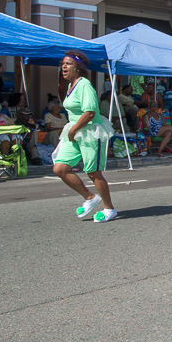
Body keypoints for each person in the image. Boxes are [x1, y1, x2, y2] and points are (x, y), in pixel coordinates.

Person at [52, 51, 117, 223]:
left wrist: (73, 130)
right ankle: (90, 197)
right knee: (60, 169)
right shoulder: (71, 85)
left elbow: (90, 112)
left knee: (93, 172)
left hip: (89, 131)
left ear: (78, 67)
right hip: (74, 130)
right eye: (62, 64)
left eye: (67, 64)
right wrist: (72, 130)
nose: (63, 66)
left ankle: (109, 209)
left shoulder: (84, 85)